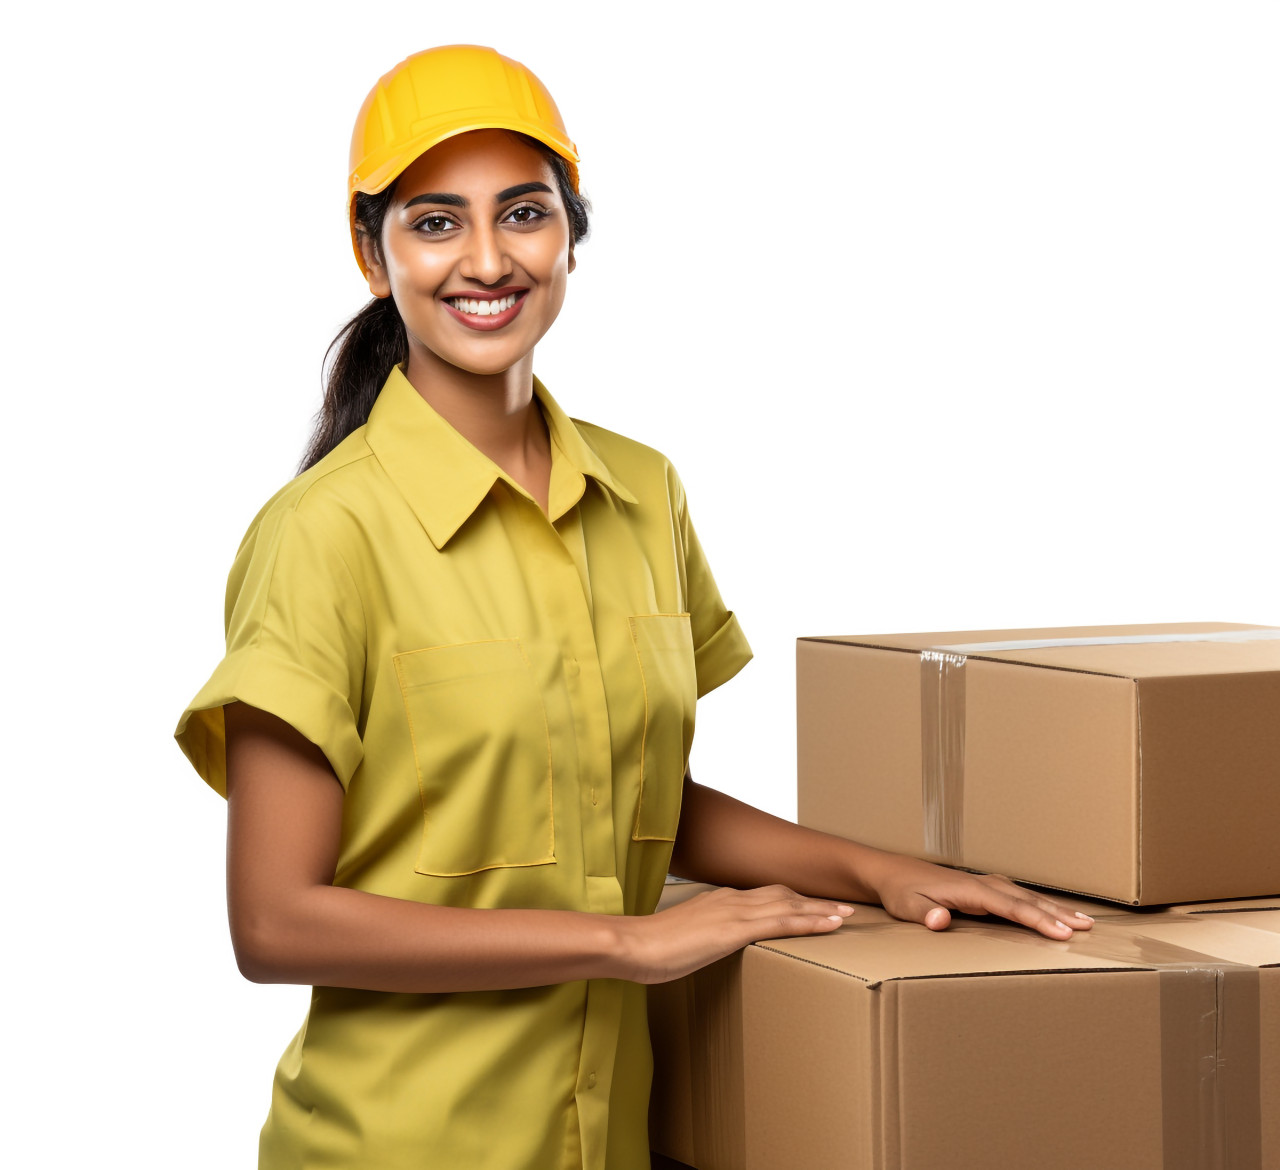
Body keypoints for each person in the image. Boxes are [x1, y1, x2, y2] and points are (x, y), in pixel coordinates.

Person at [172, 44, 1094, 1170]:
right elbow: (273, 923)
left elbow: (627, 797)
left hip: (612, 1140)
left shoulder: (639, 491)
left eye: (522, 213)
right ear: (372, 256)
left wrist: (875, 870)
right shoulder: (321, 537)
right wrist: (628, 941)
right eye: (433, 221)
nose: (485, 258)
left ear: (570, 235)